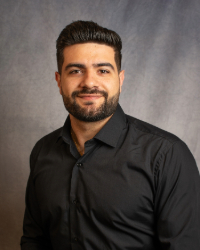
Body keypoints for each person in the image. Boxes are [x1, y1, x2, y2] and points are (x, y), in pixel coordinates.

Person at [21, 20, 200, 250]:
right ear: (59, 81)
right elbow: (34, 241)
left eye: (103, 70)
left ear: (120, 79)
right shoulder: (42, 151)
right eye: (76, 71)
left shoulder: (167, 155)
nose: (89, 82)